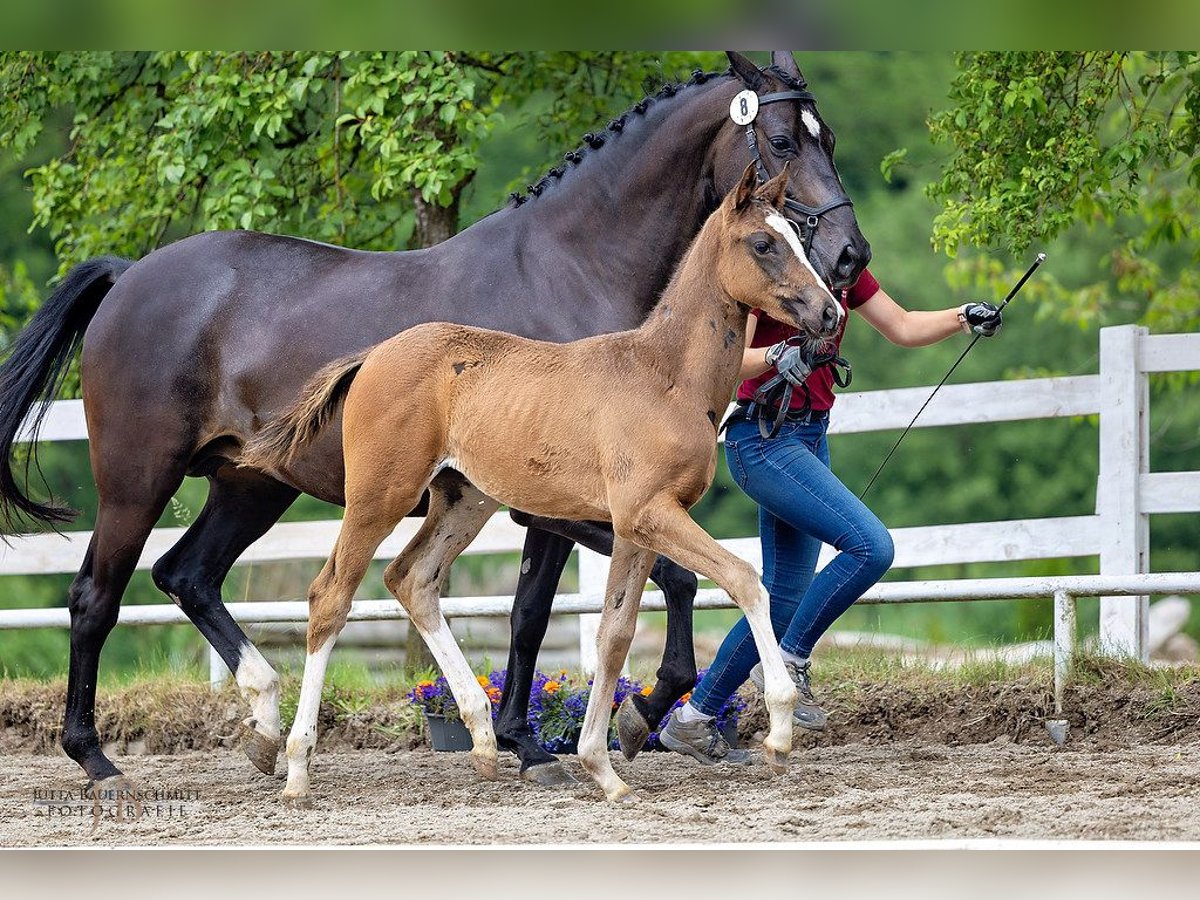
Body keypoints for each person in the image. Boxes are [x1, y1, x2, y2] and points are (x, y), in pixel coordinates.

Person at [658, 269, 1003, 764]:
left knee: (780, 602)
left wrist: (962, 317)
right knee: (871, 547)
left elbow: (902, 325)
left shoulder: (844, 272)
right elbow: (731, 362)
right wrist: (779, 357)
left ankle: (694, 721)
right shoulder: (773, 273)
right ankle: (793, 658)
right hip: (764, 440)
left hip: (810, 438)